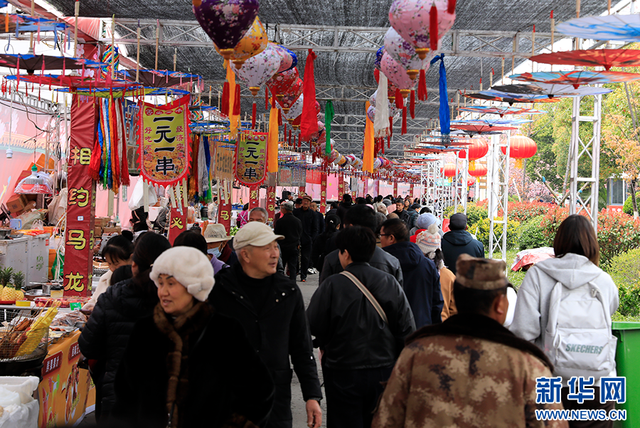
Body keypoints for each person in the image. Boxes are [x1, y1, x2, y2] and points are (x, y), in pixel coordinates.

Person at [372, 255, 567, 428]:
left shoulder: (415, 354)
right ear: (500, 305)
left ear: (457, 299)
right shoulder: (530, 367)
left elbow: (386, 420)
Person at [113, 247, 274, 428]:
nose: (163, 292)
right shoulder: (145, 331)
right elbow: (125, 393)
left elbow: (261, 389)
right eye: (160, 283)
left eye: (171, 284)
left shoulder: (224, 332)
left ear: (193, 286)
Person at [210, 222, 323, 428]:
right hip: (230, 399)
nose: (275, 254)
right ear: (245, 255)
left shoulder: (288, 292)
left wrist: (312, 395)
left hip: (275, 398)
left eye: (275, 247)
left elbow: (302, 348)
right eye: (267, 248)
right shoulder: (219, 290)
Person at [510, 215, 619, 427]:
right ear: (592, 243)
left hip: (551, 387)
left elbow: (522, 332)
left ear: (559, 240)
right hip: (599, 386)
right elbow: (611, 311)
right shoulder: (603, 280)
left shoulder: (538, 275)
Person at [307, 226, 415, 428]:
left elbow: (313, 324)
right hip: (383, 368)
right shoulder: (390, 282)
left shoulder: (332, 285)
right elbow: (406, 328)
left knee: (344, 421)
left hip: (342, 369)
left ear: (345, 253)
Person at [79, 233, 172, 422]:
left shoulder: (110, 297)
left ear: (134, 265)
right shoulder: (179, 301)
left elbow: (89, 347)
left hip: (116, 394)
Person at [380, 218, 443, 328]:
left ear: (391, 238)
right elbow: (437, 302)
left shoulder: (381, 264)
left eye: (381, 235)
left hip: (389, 331)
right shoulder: (428, 265)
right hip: (421, 327)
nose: (379, 239)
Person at [320, 204, 403, 286]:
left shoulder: (333, 259)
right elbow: (398, 297)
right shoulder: (391, 262)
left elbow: (323, 295)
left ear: (350, 227)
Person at [415, 223, 457, 321]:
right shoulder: (449, 275)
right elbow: (455, 309)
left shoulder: (415, 272)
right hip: (443, 327)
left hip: (419, 325)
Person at [83, 235, 134, 311]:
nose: (112, 268)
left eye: (116, 263)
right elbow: (93, 301)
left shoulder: (139, 283)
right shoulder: (105, 279)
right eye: (109, 263)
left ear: (131, 258)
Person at [273, 201, 302, 282]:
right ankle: (293, 282)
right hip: (294, 246)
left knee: (281, 265)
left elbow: (277, 234)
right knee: (292, 266)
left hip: (283, 246)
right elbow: (300, 233)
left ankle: (281, 281)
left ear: (284, 210)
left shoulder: (280, 221)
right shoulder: (298, 221)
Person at [294, 195, 318, 282]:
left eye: (307, 201)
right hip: (296, 238)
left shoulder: (313, 214)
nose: (305, 203)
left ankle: (303, 276)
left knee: (305, 258)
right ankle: (295, 272)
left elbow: (315, 228)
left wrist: (312, 239)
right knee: (295, 256)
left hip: (307, 239)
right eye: (304, 201)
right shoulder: (296, 212)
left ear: (310, 203)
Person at [311, 214, 340, 278]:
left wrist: (318, 265)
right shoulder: (341, 237)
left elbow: (314, 254)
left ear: (326, 224)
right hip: (338, 267)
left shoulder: (320, 237)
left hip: (324, 265)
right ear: (338, 225)